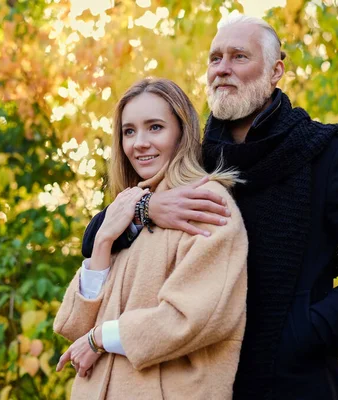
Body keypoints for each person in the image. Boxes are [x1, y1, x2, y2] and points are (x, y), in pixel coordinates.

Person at [80, 15, 338, 400]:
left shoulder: (321, 151)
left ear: (275, 71)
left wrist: (308, 331)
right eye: (215, 58)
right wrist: (148, 208)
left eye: (239, 57)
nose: (222, 68)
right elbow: (95, 239)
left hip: (296, 382)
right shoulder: (194, 159)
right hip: (201, 382)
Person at [53, 78, 248, 399]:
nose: (139, 143)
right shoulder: (130, 208)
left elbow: (191, 318)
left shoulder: (206, 203)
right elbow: (74, 326)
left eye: (155, 127)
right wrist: (103, 241)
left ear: (182, 133)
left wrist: (99, 338)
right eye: (129, 131)